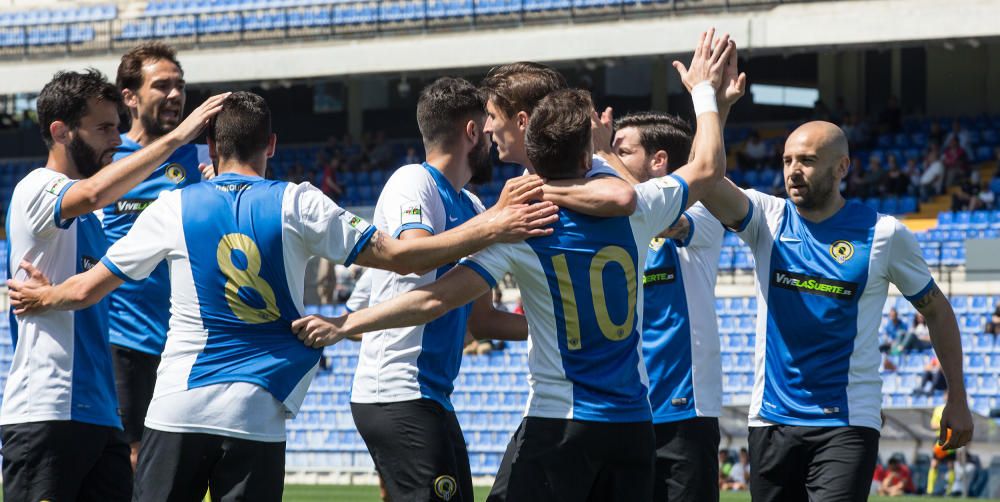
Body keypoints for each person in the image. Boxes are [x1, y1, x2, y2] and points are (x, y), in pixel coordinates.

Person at [7, 91, 558, 501]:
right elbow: (403, 256)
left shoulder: (173, 207)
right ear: (272, 144)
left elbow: (86, 289)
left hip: (179, 405)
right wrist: (495, 225)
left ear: (210, 147)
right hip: (257, 412)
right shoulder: (299, 202)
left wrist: (43, 298)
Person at [292, 29, 734, 501]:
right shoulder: (637, 207)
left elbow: (432, 298)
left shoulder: (521, 224)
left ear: (527, 127)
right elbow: (705, 167)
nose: (485, 128)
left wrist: (346, 322)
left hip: (561, 421)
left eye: (493, 117)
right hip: (631, 422)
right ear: (587, 150)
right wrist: (705, 94)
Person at [697, 117, 974, 499]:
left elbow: (938, 311)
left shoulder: (884, 234)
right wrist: (713, 105)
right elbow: (705, 178)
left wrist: (957, 398)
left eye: (807, 160)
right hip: (771, 420)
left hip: (847, 422)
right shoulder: (767, 218)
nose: (794, 171)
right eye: (787, 160)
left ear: (842, 167)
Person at [2, 69, 227, 502]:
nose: (116, 139)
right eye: (104, 128)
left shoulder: (91, 222)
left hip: (101, 416)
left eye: (118, 127)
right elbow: (90, 195)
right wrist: (177, 138)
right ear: (61, 132)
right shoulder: (37, 188)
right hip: (46, 410)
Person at [349, 77, 558, 502]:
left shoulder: (475, 206)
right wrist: (495, 224)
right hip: (396, 391)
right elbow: (411, 255)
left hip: (433, 396)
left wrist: (559, 327)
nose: (493, 138)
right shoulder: (415, 181)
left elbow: (482, 320)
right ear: (470, 132)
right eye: (487, 127)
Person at [106, 42, 217, 470]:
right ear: (130, 97)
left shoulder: (205, 159)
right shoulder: (107, 161)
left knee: (183, 465)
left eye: (180, 86)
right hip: (125, 338)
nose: (175, 95)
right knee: (132, 461)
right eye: (162, 86)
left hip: (187, 341)